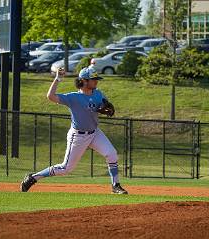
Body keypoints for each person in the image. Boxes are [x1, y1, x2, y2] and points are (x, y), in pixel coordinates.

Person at [20, 66, 128, 194]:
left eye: (96, 79)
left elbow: (104, 104)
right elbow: (51, 96)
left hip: (94, 133)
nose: (96, 81)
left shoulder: (98, 93)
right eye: (93, 79)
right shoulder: (73, 98)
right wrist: (58, 79)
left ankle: (115, 186)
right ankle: (33, 177)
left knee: (111, 154)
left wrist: (106, 108)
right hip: (78, 136)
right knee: (66, 168)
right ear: (84, 81)